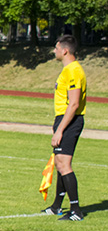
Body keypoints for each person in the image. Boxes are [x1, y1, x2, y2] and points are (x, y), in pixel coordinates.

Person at [42, 34, 86, 221]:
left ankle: (76, 210)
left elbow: (74, 103)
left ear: (65, 50)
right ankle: (56, 206)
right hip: (63, 119)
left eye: (56, 47)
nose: (54, 51)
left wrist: (60, 130)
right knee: (60, 163)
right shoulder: (67, 70)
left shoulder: (73, 71)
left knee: (64, 165)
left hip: (70, 120)